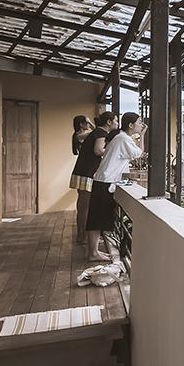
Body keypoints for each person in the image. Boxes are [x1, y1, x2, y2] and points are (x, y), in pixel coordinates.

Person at [86, 112, 146, 261]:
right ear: (131, 125)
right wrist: (143, 135)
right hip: (105, 182)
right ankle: (92, 253)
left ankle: (94, 252)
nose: (141, 125)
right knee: (96, 219)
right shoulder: (123, 139)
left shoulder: (120, 138)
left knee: (98, 218)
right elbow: (139, 153)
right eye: (139, 122)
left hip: (103, 180)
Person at [70, 111, 117, 244]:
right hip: (87, 172)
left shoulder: (97, 132)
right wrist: (112, 150)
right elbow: (98, 151)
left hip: (83, 171)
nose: (117, 124)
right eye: (116, 120)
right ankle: (82, 237)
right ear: (109, 122)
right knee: (85, 206)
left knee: (83, 206)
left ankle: (81, 235)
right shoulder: (101, 133)